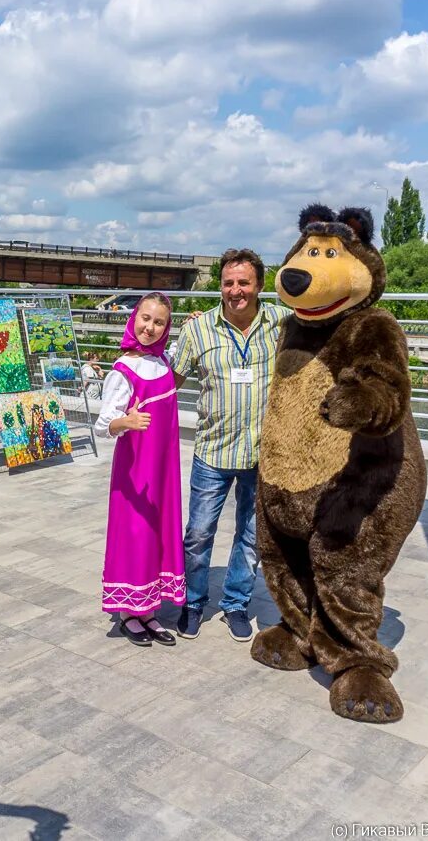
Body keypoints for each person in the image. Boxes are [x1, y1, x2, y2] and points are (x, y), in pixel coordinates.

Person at [171, 248, 292, 642]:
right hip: (213, 452)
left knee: (252, 535)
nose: (235, 290)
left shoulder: (282, 322)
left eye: (243, 282)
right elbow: (168, 383)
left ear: (258, 284)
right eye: (228, 283)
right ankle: (192, 601)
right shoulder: (197, 329)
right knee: (199, 532)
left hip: (263, 455)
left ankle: (236, 604)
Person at [94, 293, 184, 646]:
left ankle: (148, 609)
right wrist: (125, 421)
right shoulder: (123, 369)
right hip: (136, 469)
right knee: (135, 533)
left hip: (163, 466)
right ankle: (128, 612)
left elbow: (178, 354)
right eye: (145, 319)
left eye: (158, 322)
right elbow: (102, 426)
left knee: (158, 531)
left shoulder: (162, 361)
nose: (149, 327)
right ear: (133, 319)